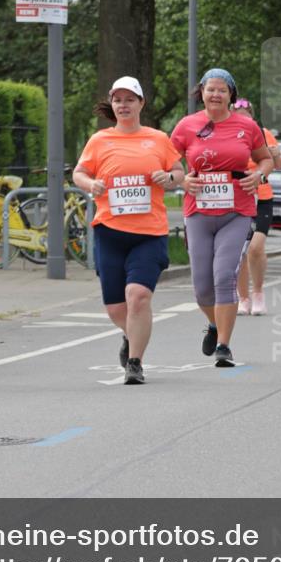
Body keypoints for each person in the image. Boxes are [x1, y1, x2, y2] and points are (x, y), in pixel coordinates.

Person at [72, 77, 183, 385]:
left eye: (130, 99)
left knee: (138, 297)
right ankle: (130, 335)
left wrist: (168, 178)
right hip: (110, 230)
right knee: (115, 306)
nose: (123, 105)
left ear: (140, 104)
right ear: (112, 104)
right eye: (118, 100)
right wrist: (90, 184)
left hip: (149, 232)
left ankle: (135, 362)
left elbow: (179, 173)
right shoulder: (100, 140)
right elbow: (79, 173)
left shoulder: (158, 138)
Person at [170, 69, 272, 366]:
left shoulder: (247, 125)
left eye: (222, 90)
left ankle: (224, 346)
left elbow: (266, 159)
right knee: (202, 285)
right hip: (198, 211)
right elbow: (167, 159)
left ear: (231, 95)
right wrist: (181, 180)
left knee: (224, 276)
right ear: (201, 92)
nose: (216, 95)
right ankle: (214, 325)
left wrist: (259, 175)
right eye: (210, 89)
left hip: (237, 211)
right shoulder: (187, 126)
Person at [234, 99, 281, 315]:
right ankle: (243, 298)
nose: (242, 119)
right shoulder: (226, 133)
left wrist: (274, 154)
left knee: (255, 247)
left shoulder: (262, 133)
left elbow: (280, 164)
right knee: (240, 252)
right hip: (236, 197)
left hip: (262, 197)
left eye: (246, 114)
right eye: (238, 115)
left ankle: (258, 293)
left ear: (252, 117)